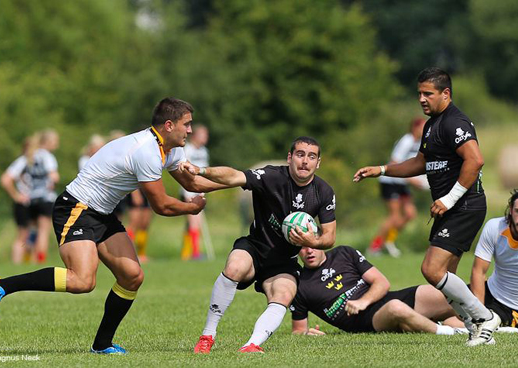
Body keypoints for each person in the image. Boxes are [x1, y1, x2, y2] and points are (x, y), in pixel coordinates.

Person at [0, 97, 225, 355]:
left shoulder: (172, 149)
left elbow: (193, 184)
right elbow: (162, 206)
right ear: (168, 125)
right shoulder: (146, 151)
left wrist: (242, 181)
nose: (190, 130)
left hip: (102, 213)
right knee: (82, 280)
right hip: (76, 208)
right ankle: (1, 285)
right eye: (186, 124)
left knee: (132, 277)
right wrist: (192, 208)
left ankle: (102, 345)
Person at [353, 67, 500, 346]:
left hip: (464, 205)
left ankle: (483, 318)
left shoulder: (455, 122)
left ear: (446, 94)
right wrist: (382, 169)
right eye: (419, 93)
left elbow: (475, 160)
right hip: (451, 207)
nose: (421, 98)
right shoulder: (432, 124)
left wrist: (449, 199)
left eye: (427, 93)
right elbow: (420, 162)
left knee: (431, 270)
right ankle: (478, 330)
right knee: (446, 279)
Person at [189, 136, 337, 353]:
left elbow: (329, 237)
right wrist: (201, 171)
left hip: (284, 261)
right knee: (234, 267)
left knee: (285, 294)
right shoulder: (271, 176)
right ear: (290, 158)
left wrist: (311, 241)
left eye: (311, 156)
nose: (305, 161)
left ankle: (251, 345)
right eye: (300, 154)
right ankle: (207, 336)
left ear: (318, 162)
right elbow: (233, 176)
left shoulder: (323, 192)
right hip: (255, 248)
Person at [447, 188, 518, 332]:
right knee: (430, 300)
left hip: (513, 309)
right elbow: (479, 271)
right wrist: (478, 312)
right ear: (510, 210)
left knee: (453, 321)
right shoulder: (494, 227)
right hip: (487, 291)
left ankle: (438, 326)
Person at [290, 245, 458, 336]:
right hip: (367, 321)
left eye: (311, 244)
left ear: (320, 239)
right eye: (302, 247)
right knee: (396, 308)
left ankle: (480, 320)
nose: (308, 251)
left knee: (442, 292)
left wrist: (363, 302)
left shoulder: (344, 253)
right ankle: (451, 333)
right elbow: (298, 330)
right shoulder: (301, 286)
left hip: (386, 299)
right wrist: (307, 334)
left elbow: (382, 282)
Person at [369, 117, 428, 257]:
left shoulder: (419, 143)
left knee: (410, 214)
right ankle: (374, 247)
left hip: (402, 183)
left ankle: (389, 240)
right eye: (423, 128)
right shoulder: (406, 141)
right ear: (415, 128)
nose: (425, 131)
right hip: (390, 181)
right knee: (394, 217)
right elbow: (394, 163)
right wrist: (412, 180)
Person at [0, 130, 60, 264]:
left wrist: (16, 195)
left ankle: (17, 264)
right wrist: (51, 185)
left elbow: (5, 179)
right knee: (42, 233)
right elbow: (54, 177)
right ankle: (39, 261)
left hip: (27, 200)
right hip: (44, 199)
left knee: (23, 236)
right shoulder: (47, 157)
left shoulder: (23, 159)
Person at [0, 135, 38, 264]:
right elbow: (5, 179)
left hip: (33, 202)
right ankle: (16, 264)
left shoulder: (36, 163)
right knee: (23, 236)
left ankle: (30, 264)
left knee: (33, 236)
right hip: (23, 203)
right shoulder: (22, 162)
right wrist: (16, 195)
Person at [180, 124, 210, 260]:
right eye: (203, 135)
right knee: (194, 221)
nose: (206, 138)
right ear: (196, 136)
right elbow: (183, 171)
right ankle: (195, 253)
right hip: (188, 190)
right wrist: (188, 190)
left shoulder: (204, 151)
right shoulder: (187, 150)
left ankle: (186, 253)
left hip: (200, 189)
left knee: (193, 223)